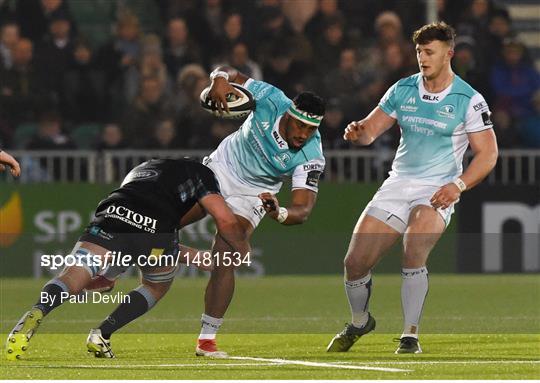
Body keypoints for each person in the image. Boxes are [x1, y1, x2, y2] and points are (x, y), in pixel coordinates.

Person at [89, 66, 327, 358]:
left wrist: (278, 213)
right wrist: (218, 81)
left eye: (311, 130)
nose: (303, 135)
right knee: (163, 221)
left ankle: (207, 340)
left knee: (224, 258)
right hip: (219, 168)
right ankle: (112, 271)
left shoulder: (311, 155)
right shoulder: (270, 98)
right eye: (300, 126)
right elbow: (229, 71)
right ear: (289, 114)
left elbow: (302, 210)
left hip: (252, 195)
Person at [326, 22, 498, 354]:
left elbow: (488, 154)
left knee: (414, 246)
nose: (422, 57)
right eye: (419, 51)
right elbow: (370, 131)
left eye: (429, 52)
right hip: (398, 184)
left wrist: (457, 185)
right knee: (355, 262)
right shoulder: (402, 89)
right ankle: (360, 321)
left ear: (449, 54)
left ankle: (410, 335)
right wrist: (357, 133)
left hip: (437, 189)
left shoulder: (468, 100)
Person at [5, 158, 250, 360]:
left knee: (72, 275)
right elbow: (225, 220)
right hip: (156, 227)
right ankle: (102, 333)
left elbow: (129, 231)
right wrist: (240, 248)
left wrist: (111, 273)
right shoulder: (203, 173)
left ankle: (38, 310)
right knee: (155, 285)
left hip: (112, 211)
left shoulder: (145, 167)